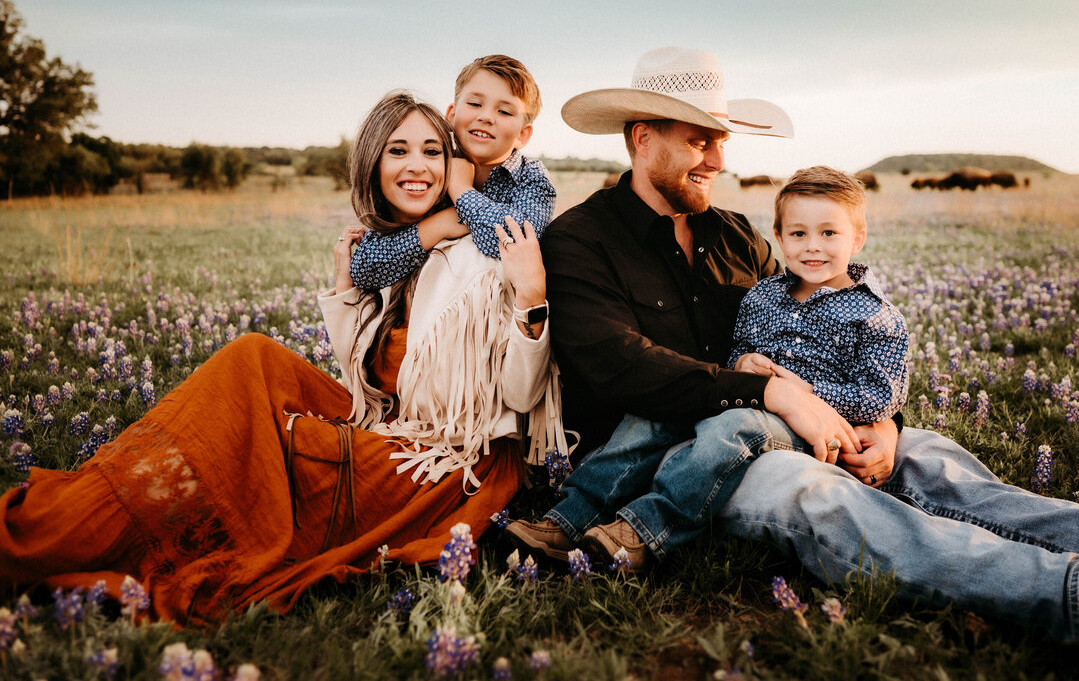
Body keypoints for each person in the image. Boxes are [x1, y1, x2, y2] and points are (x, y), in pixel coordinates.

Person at [509, 46, 1079, 650]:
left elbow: (801, 332)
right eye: (699, 142)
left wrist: (883, 425)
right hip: (675, 464)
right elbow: (621, 368)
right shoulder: (582, 240)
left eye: (720, 141)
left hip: (785, 421)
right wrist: (772, 394)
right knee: (822, 498)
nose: (719, 159)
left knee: (932, 462)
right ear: (641, 139)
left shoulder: (734, 234)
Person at [0, 91, 566, 625]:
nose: (415, 166)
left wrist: (531, 298)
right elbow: (367, 384)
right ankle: (89, 511)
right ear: (373, 163)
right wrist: (346, 294)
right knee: (253, 360)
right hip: (393, 426)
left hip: (449, 463)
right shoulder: (401, 250)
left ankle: (75, 531)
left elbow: (518, 398)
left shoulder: (489, 249)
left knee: (279, 449)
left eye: (431, 151)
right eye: (398, 150)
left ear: (454, 164)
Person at [510, 164, 908, 570]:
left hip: (809, 427)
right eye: (799, 234)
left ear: (857, 239)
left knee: (728, 430)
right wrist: (743, 363)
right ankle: (573, 514)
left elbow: (881, 393)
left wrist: (806, 397)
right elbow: (739, 348)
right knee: (649, 421)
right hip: (753, 399)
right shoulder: (764, 296)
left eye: (829, 233)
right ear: (780, 237)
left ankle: (646, 528)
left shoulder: (875, 316)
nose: (813, 247)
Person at [350, 55, 556, 291]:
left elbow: (512, 242)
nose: (486, 117)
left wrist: (461, 190)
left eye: (505, 112)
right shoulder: (432, 168)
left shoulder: (531, 178)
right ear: (452, 114)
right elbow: (365, 268)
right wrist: (441, 225)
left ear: (523, 135)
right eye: (475, 104)